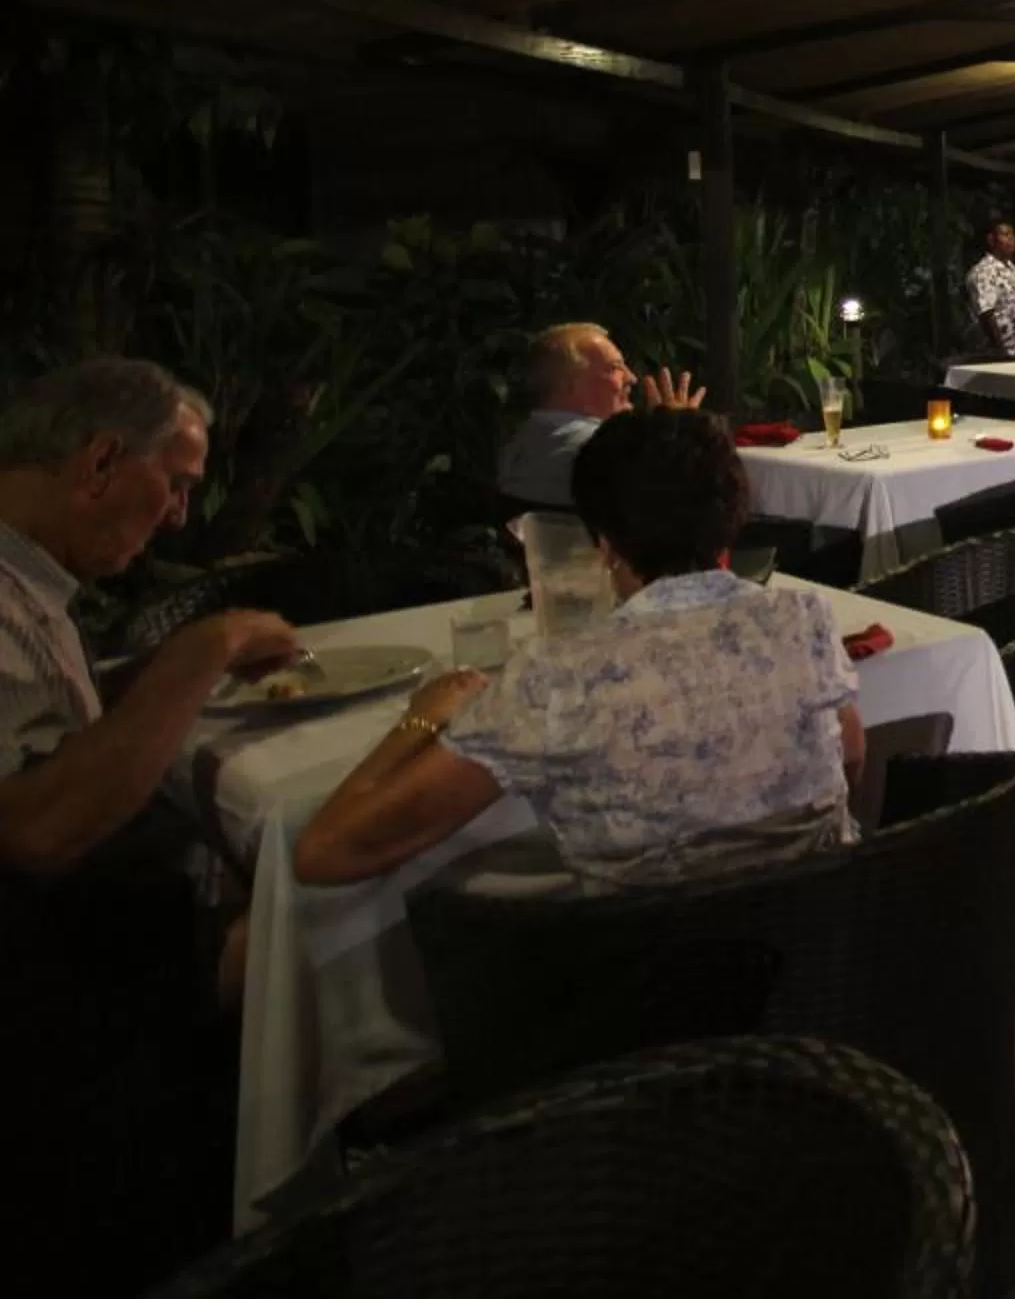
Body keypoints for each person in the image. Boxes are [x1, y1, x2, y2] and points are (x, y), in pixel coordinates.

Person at [0, 360, 301, 1294]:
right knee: (328, 913)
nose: (177, 515)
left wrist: (170, 679)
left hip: (89, 931)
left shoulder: (26, 578)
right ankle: (288, 1210)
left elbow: (57, 738)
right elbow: (39, 830)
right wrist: (203, 650)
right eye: (173, 484)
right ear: (97, 465)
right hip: (55, 993)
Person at [298, 409, 863, 888]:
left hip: (641, 992)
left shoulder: (555, 678)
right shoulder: (802, 621)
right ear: (731, 521)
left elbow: (326, 854)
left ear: (604, 543)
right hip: (819, 966)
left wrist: (420, 721)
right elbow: (852, 757)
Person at [495, 322, 705, 510]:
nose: (632, 378)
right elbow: (683, 501)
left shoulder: (520, 445)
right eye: (615, 368)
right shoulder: (603, 449)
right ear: (570, 386)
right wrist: (678, 436)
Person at [965, 215, 1015, 359]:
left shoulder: (1014, 271)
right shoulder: (984, 271)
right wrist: (1000, 351)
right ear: (991, 240)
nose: (1012, 239)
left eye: (1013, 235)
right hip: (1001, 354)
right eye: (1005, 234)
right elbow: (986, 312)